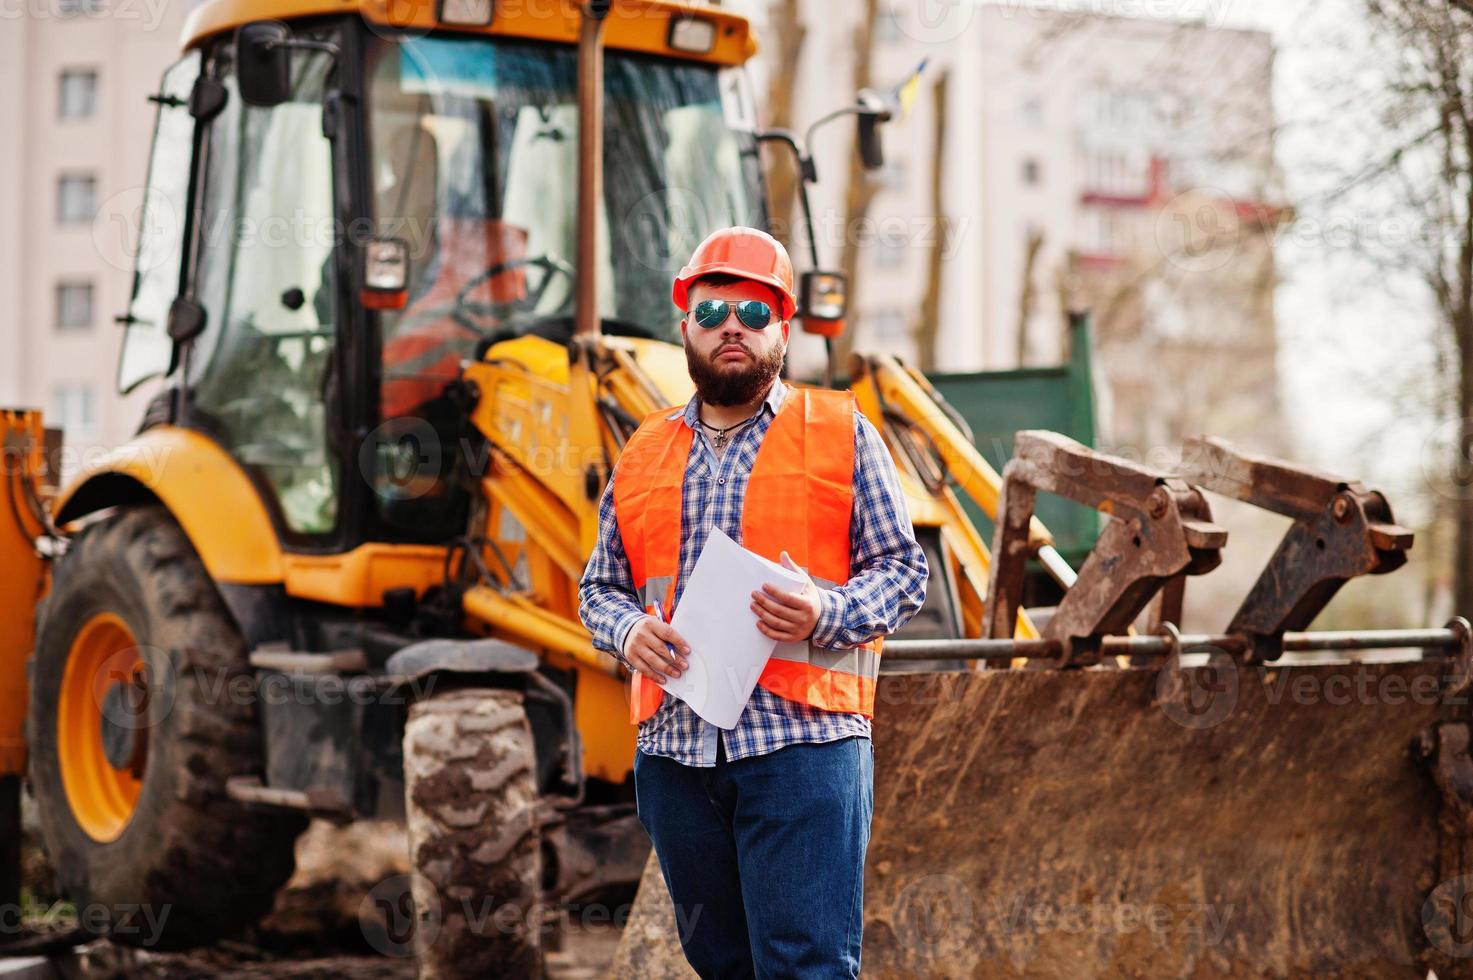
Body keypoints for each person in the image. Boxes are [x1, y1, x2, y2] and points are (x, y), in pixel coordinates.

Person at [578, 226, 929, 978]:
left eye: (752, 311)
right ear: (685, 328)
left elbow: (902, 572)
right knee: (721, 966)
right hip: (674, 760)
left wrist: (823, 612)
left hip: (802, 750)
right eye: (711, 313)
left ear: (782, 328)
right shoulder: (642, 452)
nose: (730, 325)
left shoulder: (841, 434)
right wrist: (628, 629)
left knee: (805, 966)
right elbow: (597, 588)